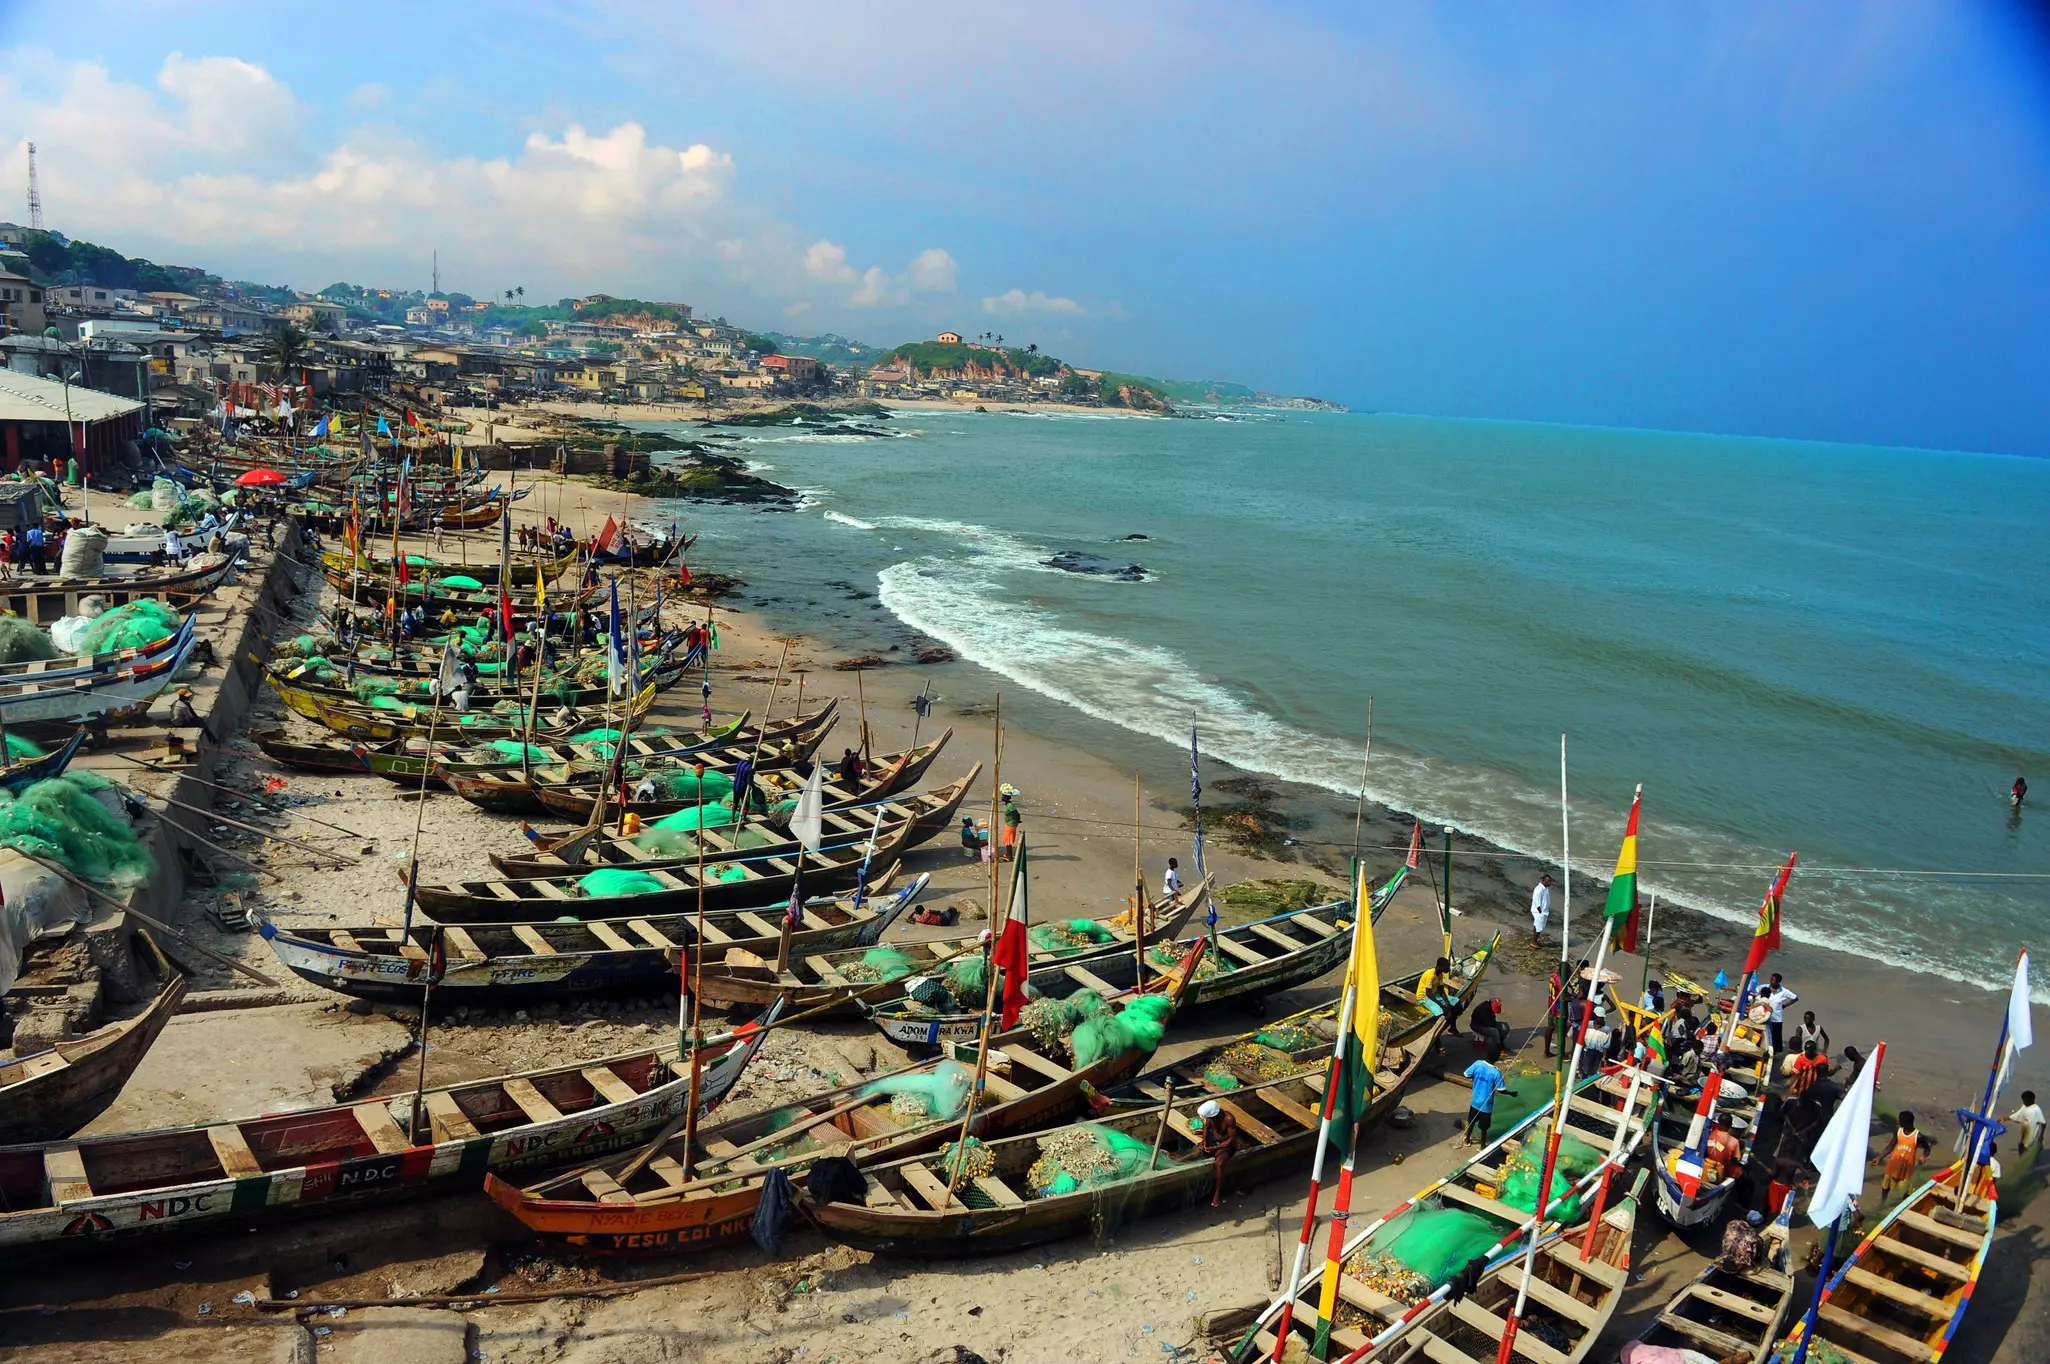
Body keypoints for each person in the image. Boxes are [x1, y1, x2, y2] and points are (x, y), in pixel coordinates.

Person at [1459, 1042, 1515, 1145]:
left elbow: (1466, 1074)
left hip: (1475, 1102)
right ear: (1497, 1058)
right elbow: (1501, 1090)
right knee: (1484, 1128)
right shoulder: (1496, 1072)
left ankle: (1467, 1140)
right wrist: (1511, 1093)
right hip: (1487, 1106)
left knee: (1471, 1122)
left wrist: (1476, 1078)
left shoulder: (1478, 1064)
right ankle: (1482, 1145)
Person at [1875, 1110, 1934, 1200]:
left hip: (1907, 1167)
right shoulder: (1898, 1132)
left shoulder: (1918, 1136)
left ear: (1907, 1122)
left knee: (1905, 1189)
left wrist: (1924, 1156)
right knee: (1886, 1185)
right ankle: (1882, 1203)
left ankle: (1904, 1204)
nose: (1899, 1122)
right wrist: (1879, 1157)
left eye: (1901, 1120)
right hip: (1894, 1164)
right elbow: (1891, 1146)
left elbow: (1927, 1148)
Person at [1197, 1099, 1237, 1208]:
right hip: (1214, 1140)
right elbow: (1206, 1128)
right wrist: (1204, 1140)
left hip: (1226, 1145)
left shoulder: (1229, 1119)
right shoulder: (1211, 1119)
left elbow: (1231, 1139)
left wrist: (1216, 1147)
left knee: (1219, 1163)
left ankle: (1217, 1192)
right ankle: (1176, 1162)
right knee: (1195, 1151)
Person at [1756, 973, 1798, 1054]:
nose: (1771, 982)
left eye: (1774, 980)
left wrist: (1785, 1006)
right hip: (1764, 1016)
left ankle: (1773, 1053)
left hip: (1776, 1018)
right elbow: (1754, 991)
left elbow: (1795, 998)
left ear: (1779, 981)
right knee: (1764, 1034)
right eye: (1771, 979)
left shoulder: (1784, 991)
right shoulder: (1764, 987)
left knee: (1775, 1037)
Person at [1529, 873, 1552, 947]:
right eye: (1548, 881)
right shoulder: (1539, 889)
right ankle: (1533, 942)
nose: (1550, 883)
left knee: (1539, 926)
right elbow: (1536, 900)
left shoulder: (1545, 888)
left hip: (1544, 911)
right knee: (1538, 927)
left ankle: (1535, 940)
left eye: (1550, 881)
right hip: (1539, 911)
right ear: (1543, 880)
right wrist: (1540, 911)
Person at [1000, 792, 1021, 862]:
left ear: (1006, 797)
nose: (1001, 797)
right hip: (1008, 824)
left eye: (1002, 796)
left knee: (1008, 840)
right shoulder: (1007, 804)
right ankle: (1008, 853)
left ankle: (1009, 857)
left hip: (1011, 824)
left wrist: (1018, 820)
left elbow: (1017, 813)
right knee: (1006, 839)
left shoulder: (1010, 805)